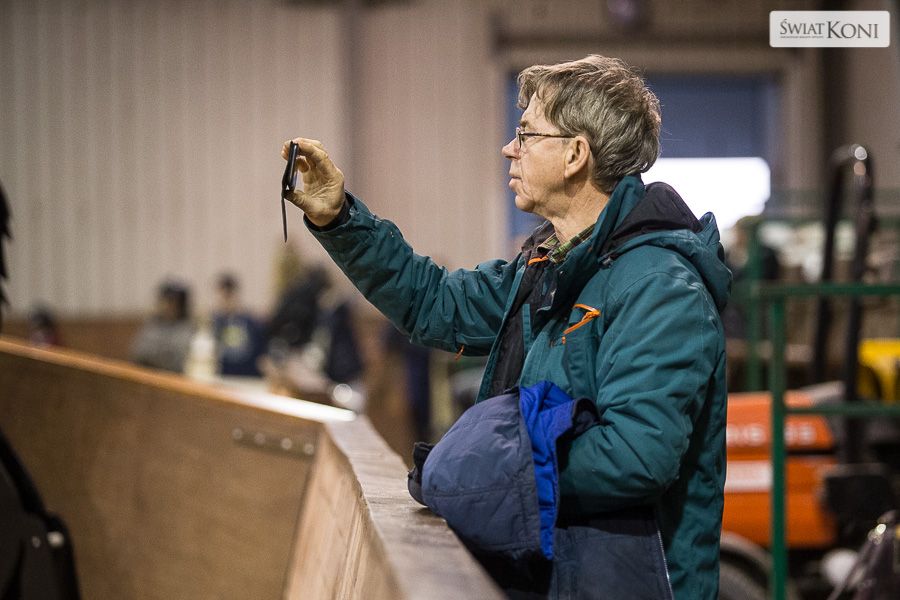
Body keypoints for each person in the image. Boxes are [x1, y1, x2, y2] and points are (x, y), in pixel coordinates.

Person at [281, 55, 731, 599]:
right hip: (557, 573)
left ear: (575, 154)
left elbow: (638, 455)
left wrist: (495, 472)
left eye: (526, 134)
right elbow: (434, 303)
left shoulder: (659, 286)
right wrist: (339, 219)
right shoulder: (548, 267)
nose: (509, 149)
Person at [130, 281, 195, 373]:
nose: (169, 306)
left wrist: (158, 354)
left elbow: (179, 360)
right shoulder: (152, 324)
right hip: (147, 375)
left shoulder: (187, 327)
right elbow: (138, 353)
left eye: (174, 303)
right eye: (167, 301)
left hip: (173, 377)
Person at [211, 273, 267, 377]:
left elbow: (261, 354)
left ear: (236, 295)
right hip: (223, 375)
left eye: (228, 296)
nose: (225, 301)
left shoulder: (251, 323)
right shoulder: (214, 323)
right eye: (223, 297)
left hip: (247, 375)